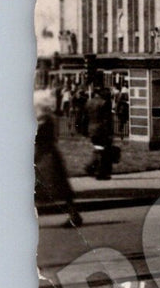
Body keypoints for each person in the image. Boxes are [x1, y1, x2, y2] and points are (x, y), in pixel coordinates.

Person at [35, 90, 82, 227]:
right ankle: (74, 214)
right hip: (48, 156)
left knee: (52, 186)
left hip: (43, 157)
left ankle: (74, 214)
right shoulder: (47, 119)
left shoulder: (42, 122)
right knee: (60, 188)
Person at [85, 84, 115, 180]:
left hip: (92, 128)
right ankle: (99, 171)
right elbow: (107, 119)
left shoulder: (89, 102)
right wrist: (110, 132)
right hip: (102, 129)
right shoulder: (104, 103)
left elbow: (85, 117)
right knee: (104, 150)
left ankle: (92, 168)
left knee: (98, 148)